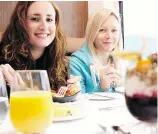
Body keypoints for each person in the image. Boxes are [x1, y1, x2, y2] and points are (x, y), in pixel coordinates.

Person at [0, 1, 80, 97]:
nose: (44, 26)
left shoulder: (60, 62)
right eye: (35, 19)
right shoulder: (3, 61)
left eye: (49, 20)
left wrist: (71, 91)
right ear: (20, 23)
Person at [69, 8, 123, 93]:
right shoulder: (76, 63)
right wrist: (102, 87)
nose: (109, 36)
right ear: (92, 33)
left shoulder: (123, 62)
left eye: (114, 30)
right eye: (102, 30)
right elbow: (78, 102)